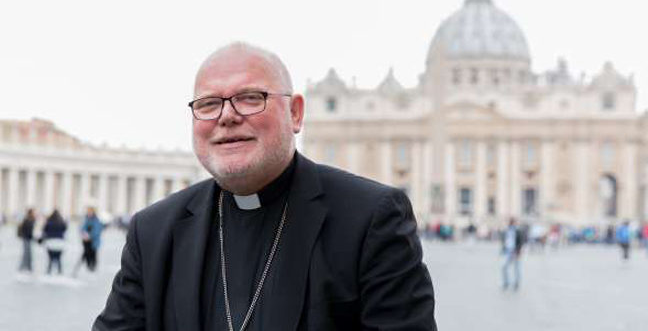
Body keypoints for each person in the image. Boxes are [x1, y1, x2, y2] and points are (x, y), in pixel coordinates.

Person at [94, 42, 436, 330]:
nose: (226, 116)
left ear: (296, 114)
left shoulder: (371, 219)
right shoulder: (152, 231)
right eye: (209, 104)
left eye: (250, 97)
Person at [74, 207, 104, 276]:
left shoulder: (96, 220)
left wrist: (90, 236)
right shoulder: (86, 219)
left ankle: (92, 267)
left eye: (90, 212)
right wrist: (84, 234)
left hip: (93, 242)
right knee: (86, 254)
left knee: (93, 254)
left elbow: (97, 230)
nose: (89, 213)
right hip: (86, 242)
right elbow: (81, 228)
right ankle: (87, 267)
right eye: (88, 211)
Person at [40, 209, 68, 274]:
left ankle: (49, 271)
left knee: (50, 259)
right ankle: (59, 271)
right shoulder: (61, 222)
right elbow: (65, 229)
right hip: (60, 243)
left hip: (50, 242)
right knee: (58, 259)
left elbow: (44, 230)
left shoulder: (49, 222)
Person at [501, 217, 525, 291]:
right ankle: (506, 282)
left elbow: (521, 241)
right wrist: (503, 249)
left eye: (512, 222)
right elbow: (505, 240)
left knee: (516, 268)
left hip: (515, 251)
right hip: (508, 251)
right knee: (504, 267)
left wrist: (518, 250)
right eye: (510, 222)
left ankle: (516, 282)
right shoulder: (507, 230)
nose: (511, 223)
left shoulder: (518, 231)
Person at [17, 208, 36, 273]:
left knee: (28, 253)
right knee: (26, 253)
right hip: (26, 238)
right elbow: (27, 230)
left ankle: (27, 267)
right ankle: (23, 267)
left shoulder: (30, 219)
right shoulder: (27, 220)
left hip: (28, 238)